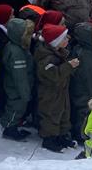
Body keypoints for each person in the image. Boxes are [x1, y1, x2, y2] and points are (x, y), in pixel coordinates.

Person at [34, 23, 79, 152]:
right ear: (56, 42)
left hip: (61, 90)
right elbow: (54, 75)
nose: (68, 39)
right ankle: (49, 139)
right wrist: (69, 66)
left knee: (64, 112)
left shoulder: (59, 53)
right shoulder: (46, 58)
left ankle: (62, 135)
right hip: (50, 92)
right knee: (51, 114)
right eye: (64, 38)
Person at [69, 20, 92, 143]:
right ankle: (80, 134)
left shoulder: (85, 48)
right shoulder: (88, 54)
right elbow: (91, 77)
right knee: (83, 109)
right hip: (85, 88)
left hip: (82, 85)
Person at [0, 17, 35, 141]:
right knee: (16, 107)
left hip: (17, 84)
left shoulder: (17, 46)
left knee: (17, 106)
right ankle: (9, 128)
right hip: (17, 87)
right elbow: (20, 76)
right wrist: (25, 93)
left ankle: (12, 126)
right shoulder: (16, 52)